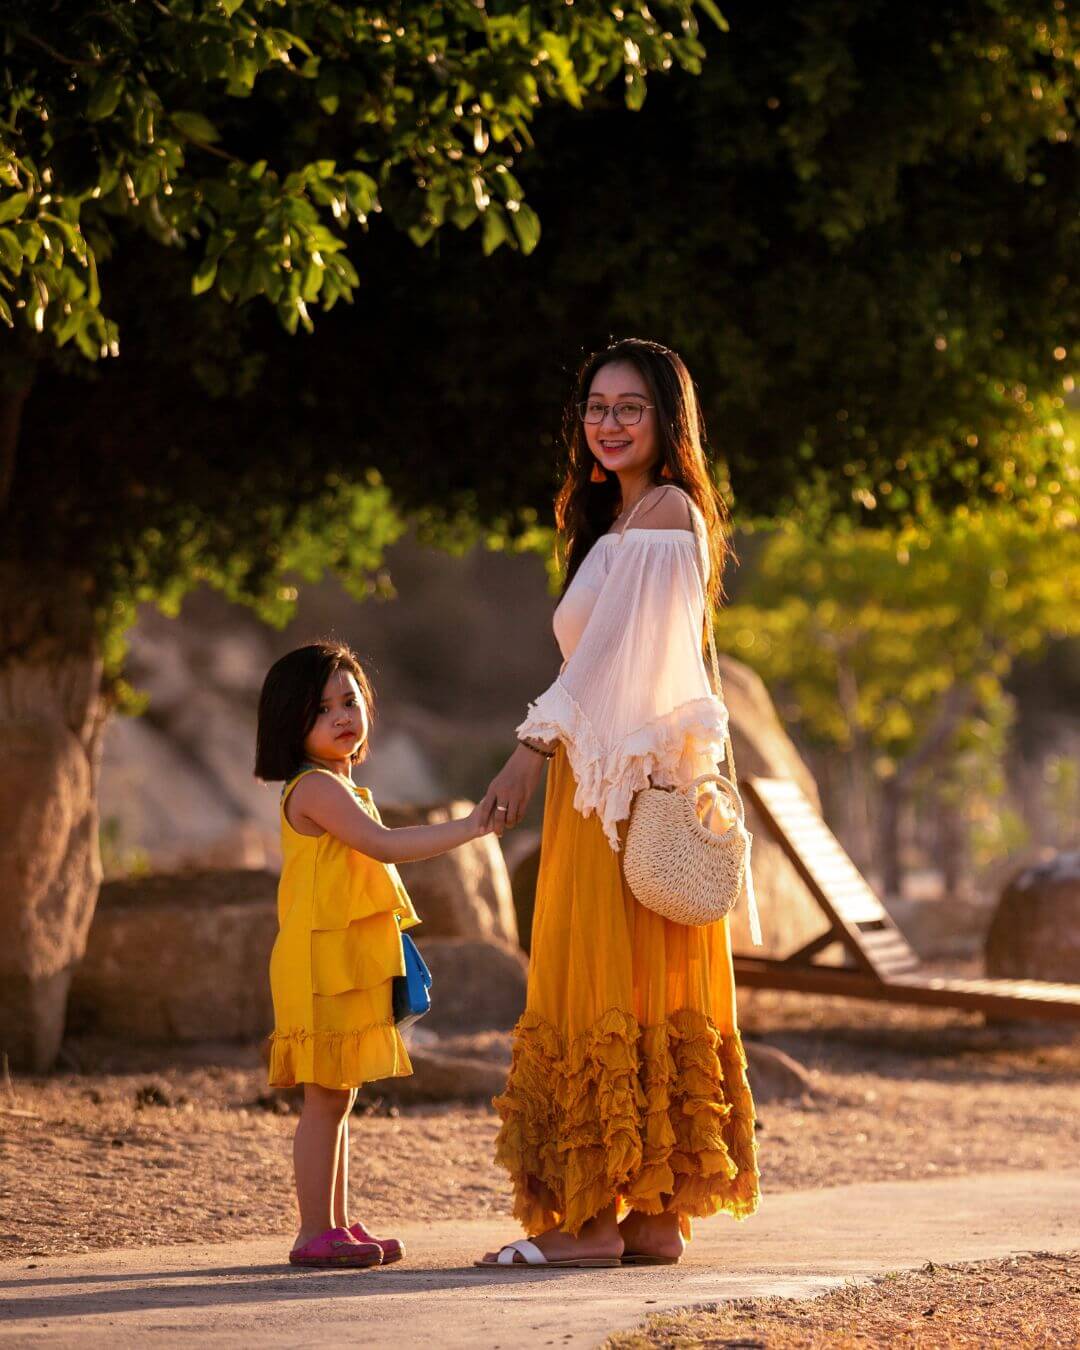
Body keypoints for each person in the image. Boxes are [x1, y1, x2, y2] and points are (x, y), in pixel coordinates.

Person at [479, 338, 760, 1270]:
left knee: (597, 975)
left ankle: (590, 1223)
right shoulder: (626, 516)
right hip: (623, 781)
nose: (608, 422)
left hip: (614, 793)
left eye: (629, 407)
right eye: (596, 406)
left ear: (667, 420)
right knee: (636, 981)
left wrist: (527, 750)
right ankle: (649, 1220)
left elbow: (601, 665)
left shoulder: (665, 512)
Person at [255, 640, 497, 1268]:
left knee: (340, 1095)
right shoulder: (312, 789)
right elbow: (384, 847)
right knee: (324, 1097)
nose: (342, 716)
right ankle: (313, 1232)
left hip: (340, 957)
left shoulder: (341, 785)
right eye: (321, 709)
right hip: (317, 962)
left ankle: (332, 1223)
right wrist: (470, 827)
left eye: (350, 700)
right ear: (291, 723)